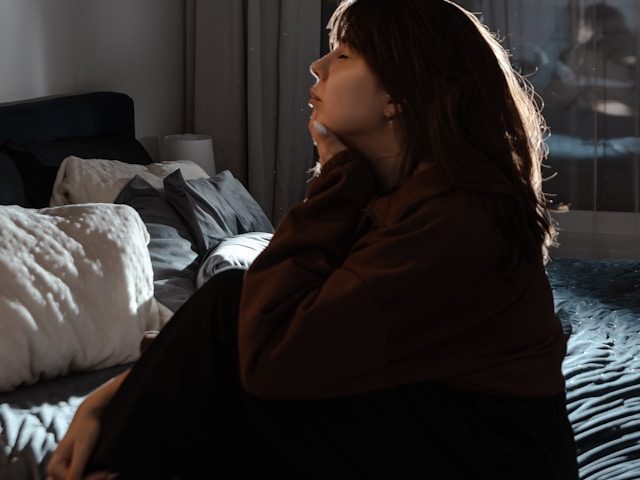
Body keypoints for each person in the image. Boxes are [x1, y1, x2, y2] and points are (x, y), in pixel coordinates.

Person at [47, 0, 579, 478]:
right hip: (439, 426)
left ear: (399, 93)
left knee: (228, 309)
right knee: (222, 360)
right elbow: (289, 321)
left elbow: (272, 355)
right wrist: (108, 395)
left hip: (489, 454)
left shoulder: (455, 220)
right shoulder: (400, 196)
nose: (317, 67)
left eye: (344, 55)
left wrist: (338, 180)